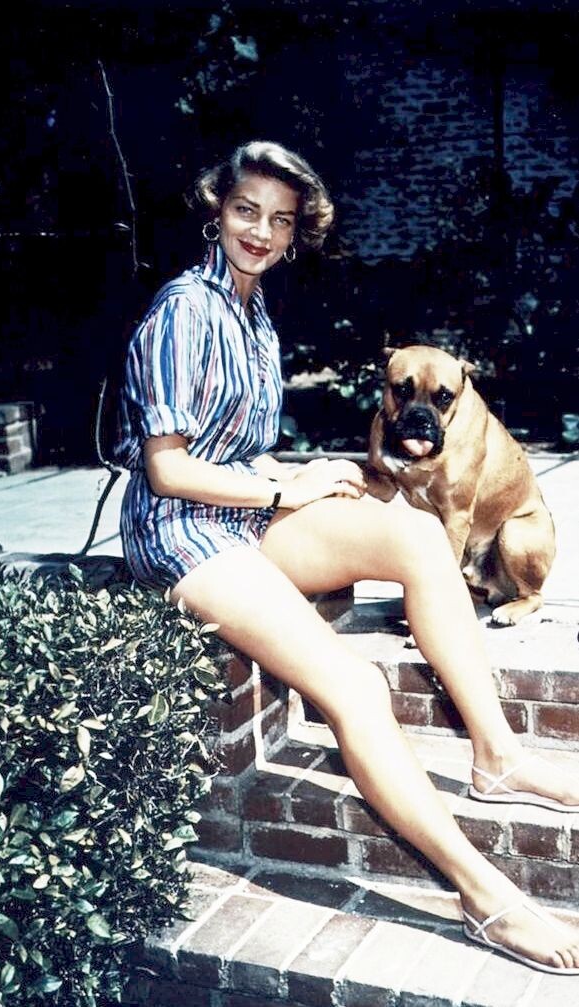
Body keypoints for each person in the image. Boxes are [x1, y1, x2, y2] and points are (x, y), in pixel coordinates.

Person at [116, 140, 579, 974]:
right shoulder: (184, 309)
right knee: (354, 683)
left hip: (243, 512)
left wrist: (301, 476)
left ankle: (497, 757)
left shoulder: (252, 310)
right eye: (246, 210)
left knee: (414, 533)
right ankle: (484, 896)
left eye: (280, 220)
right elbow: (168, 470)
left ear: (297, 233)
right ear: (216, 210)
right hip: (181, 532)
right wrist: (279, 492)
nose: (261, 232)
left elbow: (232, 447)